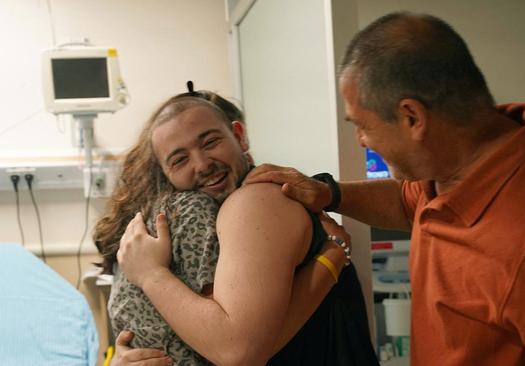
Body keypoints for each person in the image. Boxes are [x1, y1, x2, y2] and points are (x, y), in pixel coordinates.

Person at [244, 11, 525, 366]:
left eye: (362, 126)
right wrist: (330, 193)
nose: (362, 141)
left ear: (412, 117)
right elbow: (409, 202)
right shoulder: (463, 171)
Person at [94, 87, 378, 365]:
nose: (203, 164)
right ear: (166, 174)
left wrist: (151, 274)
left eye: (210, 142)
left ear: (239, 136)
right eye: (180, 159)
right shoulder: (192, 222)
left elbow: (238, 352)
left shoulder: (255, 201)